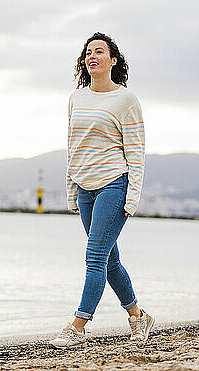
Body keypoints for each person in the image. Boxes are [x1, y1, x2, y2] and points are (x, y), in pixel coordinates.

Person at [49, 32, 154, 348]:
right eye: (87, 53)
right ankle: (138, 317)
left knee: (94, 256)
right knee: (108, 261)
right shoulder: (75, 98)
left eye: (99, 51)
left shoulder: (126, 100)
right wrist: (71, 190)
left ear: (113, 60)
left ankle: (77, 326)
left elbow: (135, 150)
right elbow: (73, 147)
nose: (92, 56)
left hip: (114, 184)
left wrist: (132, 195)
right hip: (85, 187)